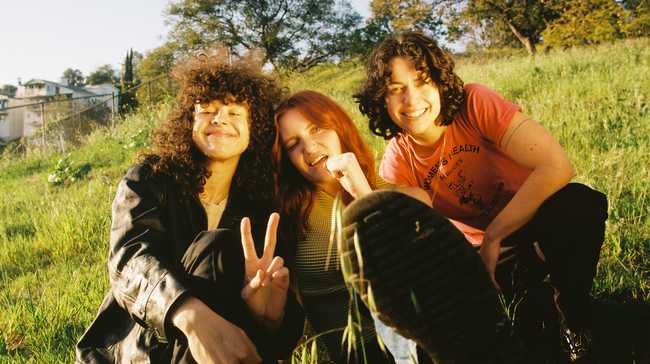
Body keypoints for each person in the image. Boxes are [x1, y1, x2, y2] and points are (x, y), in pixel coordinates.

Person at [352, 31, 608, 363]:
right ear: (381, 100)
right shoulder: (398, 158)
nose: (411, 100)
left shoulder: (474, 104)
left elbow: (556, 166)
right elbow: (411, 230)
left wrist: (494, 235)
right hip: (485, 261)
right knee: (525, 332)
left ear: (441, 82)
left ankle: (575, 318)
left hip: (537, 224)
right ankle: (526, 311)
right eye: (395, 90)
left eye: (422, 82)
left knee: (579, 205)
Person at [75, 48, 304, 364]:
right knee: (216, 246)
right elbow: (129, 261)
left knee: (222, 247)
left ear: (256, 129)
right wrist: (188, 313)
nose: (220, 117)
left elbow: (279, 339)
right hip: (136, 350)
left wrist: (269, 316)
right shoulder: (150, 180)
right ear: (188, 121)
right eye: (206, 109)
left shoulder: (262, 209)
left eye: (235, 112)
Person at [272, 90, 429, 364]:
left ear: (339, 128)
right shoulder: (291, 216)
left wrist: (362, 192)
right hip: (358, 352)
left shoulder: (409, 198)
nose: (309, 148)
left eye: (317, 129)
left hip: (420, 341)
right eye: (293, 144)